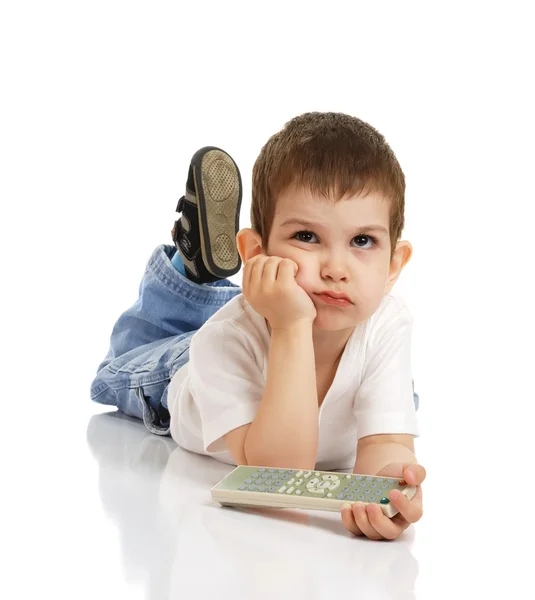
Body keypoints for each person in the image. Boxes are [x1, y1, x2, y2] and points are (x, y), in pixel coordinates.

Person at [90, 112, 426, 540]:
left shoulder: (387, 324)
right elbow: (281, 475)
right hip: (181, 374)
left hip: (269, 308)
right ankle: (187, 269)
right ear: (255, 251)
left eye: (362, 241)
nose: (336, 268)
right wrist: (290, 324)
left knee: (266, 298)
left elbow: (384, 441)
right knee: (132, 356)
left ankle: (204, 278)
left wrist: (385, 490)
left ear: (394, 265)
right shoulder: (224, 340)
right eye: (307, 236)